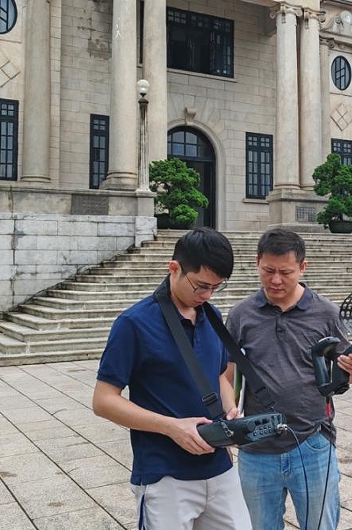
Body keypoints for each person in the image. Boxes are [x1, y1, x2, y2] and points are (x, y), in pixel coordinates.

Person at [92, 227, 251, 530]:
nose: (207, 295)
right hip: (164, 474)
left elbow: (218, 376)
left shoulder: (212, 315)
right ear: (174, 268)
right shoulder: (134, 323)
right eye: (200, 286)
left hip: (219, 467)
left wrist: (230, 409)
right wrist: (172, 427)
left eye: (216, 288)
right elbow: (103, 401)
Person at [225, 228, 352, 530]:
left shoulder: (326, 313)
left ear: (302, 267)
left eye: (285, 272)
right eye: (268, 271)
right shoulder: (241, 314)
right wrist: (228, 410)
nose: (276, 280)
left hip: (312, 441)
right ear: (257, 262)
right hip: (257, 447)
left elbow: (344, 372)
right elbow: (227, 374)